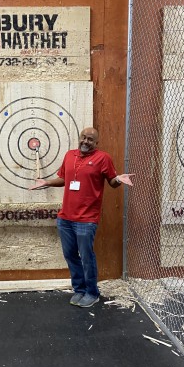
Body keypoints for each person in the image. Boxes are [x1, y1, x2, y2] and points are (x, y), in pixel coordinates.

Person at [30, 127, 134, 308]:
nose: (86, 141)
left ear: (96, 143)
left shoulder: (103, 158)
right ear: (79, 138)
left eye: (91, 140)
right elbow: (64, 179)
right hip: (65, 218)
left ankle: (92, 293)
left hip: (86, 219)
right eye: (84, 138)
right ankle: (79, 289)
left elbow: (111, 182)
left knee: (86, 256)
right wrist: (46, 182)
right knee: (70, 255)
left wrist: (118, 179)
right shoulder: (70, 155)